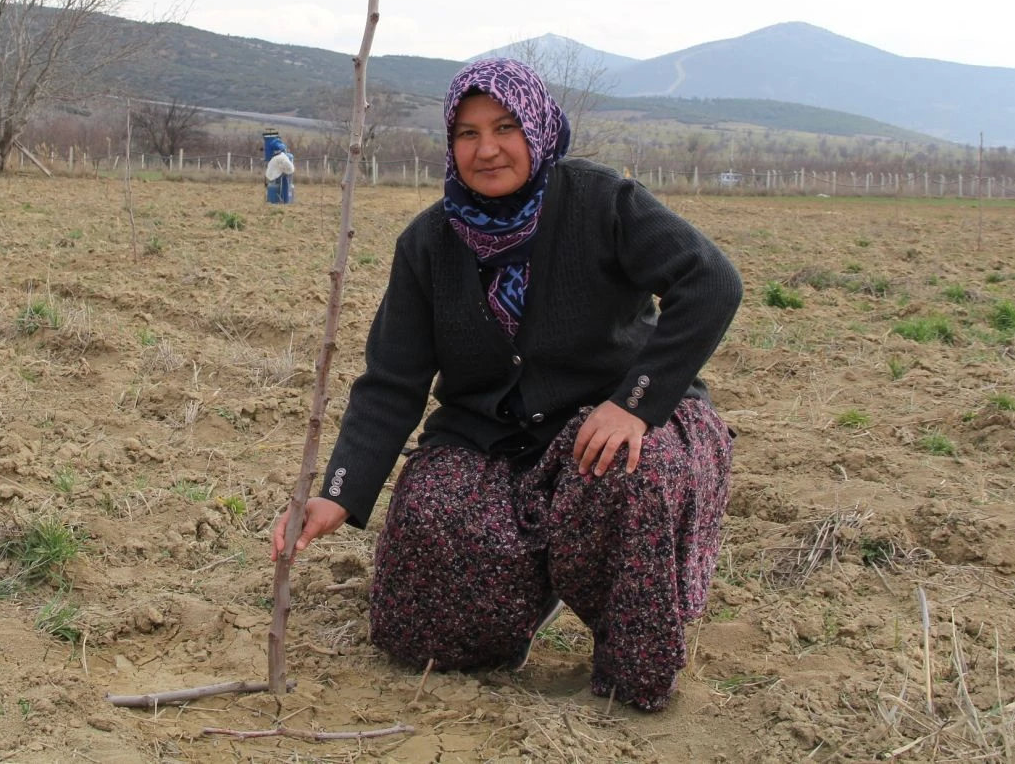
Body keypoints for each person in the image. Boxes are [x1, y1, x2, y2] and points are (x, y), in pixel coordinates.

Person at [271, 57, 743, 711]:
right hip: (495, 438)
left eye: (505, 127)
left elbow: (711, 281)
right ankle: (522, 602)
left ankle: (629, 664)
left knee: (630, 471)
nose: (486, 149)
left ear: (539, 129)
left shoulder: (601, 202)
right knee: (422, 616)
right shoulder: (428, 242)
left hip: (615, 420)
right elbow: (392, 382)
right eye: (467, 133)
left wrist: (636, 402)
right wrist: (339, 493)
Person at [264, 132, 296, 204]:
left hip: (284, 175)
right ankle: (283, 200)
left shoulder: (282, 158)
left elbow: (289, 167)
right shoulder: (281, 157)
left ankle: (284, 200)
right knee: (278, 183)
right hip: (281, 174)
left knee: (284, 183)